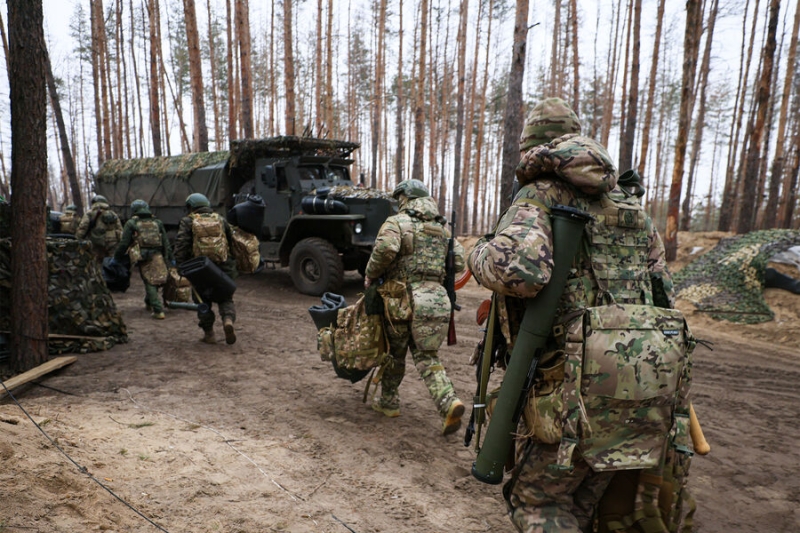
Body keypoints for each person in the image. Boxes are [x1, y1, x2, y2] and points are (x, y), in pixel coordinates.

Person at [468, 97, 685, 532]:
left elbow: (520, 272)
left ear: (532, 147)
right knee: (590, 506)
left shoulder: (541, 194)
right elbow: (663, 291)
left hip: (573, 388)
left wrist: (475, 253)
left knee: (540, 507)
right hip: (645, 381)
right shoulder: (628, 205)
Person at [363, 179, 467, 436]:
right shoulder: (442, 229)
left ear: (405, 199)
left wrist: (370, 274)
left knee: (394, 353)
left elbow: (385, 249)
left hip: (401, 300)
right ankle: (448, 402)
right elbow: (460, 262)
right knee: (427, 357)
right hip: (435, 301)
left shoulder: (398, 223)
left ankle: (389, 402)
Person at [173, 192, 238, 345]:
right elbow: (231, 243)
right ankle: (228, 320)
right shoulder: (221, 220)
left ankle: (209, 334)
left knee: (202, 301)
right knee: (225, 298)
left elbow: (181, 244)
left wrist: (180, 264)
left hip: (199, 268)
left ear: (190, 207)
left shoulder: (188, 221)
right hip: (222, 267)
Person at [113, 199, 173, 319]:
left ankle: (158, 310)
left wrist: (117, 257)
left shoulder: (131, 223)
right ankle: (149, 301)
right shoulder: (157, 222)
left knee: (149, 281)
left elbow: (124, 243)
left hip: (142, 256)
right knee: (155, 278)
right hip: (157, 254)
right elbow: (165, 242)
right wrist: (169, 257)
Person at [76, 195, 123, 263]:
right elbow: (119, 228)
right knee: (113, 261)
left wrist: (77, 238)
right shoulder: (113, 214)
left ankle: (100, 273)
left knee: (97, 262)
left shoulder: (90, 213)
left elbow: (83, 227)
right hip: (112, 241)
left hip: (96, 241)